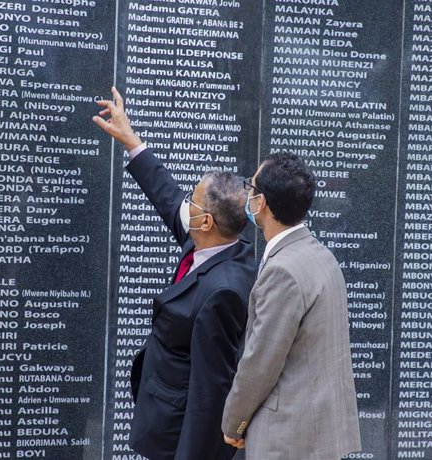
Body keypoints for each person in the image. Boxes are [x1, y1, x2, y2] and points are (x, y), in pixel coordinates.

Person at [93, 87, 256, 460]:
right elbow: (167, 196)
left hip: (176, 433)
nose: (186, 204)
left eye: (193, 201)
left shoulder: (224, 292)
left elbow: (210, 390)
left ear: (206, 220)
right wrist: (129, 138)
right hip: (161, 410)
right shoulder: (214, 242)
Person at [221, 153, 362, 459]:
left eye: (251, 187)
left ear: (263, 203)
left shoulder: (282, 270)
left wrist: (233, 423)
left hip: (288, 438)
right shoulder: (321, 255)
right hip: (318, 432)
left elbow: (260, 362)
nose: (246, 193)